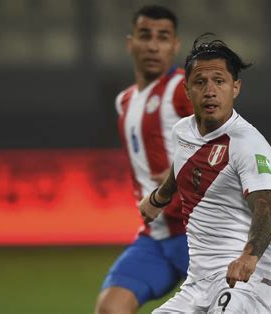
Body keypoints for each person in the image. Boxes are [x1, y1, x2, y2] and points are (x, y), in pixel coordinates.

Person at [139, 34, 271, 313]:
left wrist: (248, 257)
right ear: (187, 90)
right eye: (200, 82)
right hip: (197, 284)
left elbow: (266, 206)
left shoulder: (248, 144)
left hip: (245, 280)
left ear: (235, 88)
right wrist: (159, 198)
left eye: (219, 81)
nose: (210, 90)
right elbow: (183, 165)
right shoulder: (183, 131)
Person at [94, 5, 192, 314]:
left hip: (200, 237)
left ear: (175, 46)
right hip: (157, 238)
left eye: (163, 37)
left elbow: (223, 140)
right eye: (145, 35)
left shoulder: (183, 89)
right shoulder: (124, 101)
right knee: (110, 309)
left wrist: (184, 170)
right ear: (130, 43)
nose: (153, 45)